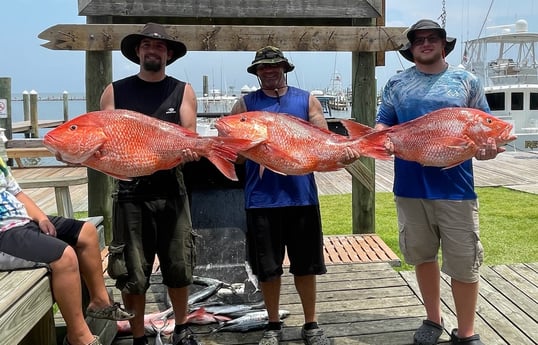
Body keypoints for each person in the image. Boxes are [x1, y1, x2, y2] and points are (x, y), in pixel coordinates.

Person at [376, 19, 504, 345]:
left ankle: (467, 332)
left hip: (456, 190)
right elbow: (383, 128)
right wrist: (371, 143)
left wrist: (486, 151)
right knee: (422, 256)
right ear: (411, 48)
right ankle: (433, 318)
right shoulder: (395, 84)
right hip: (409, 186)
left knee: (464, 262)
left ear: (444, 44)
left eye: (433, 38)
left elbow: (484, 128)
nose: (426, 43)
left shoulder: (467, 80)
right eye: (419, 39)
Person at [229, 46, 348, 345]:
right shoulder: (244, 105)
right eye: (263, 68)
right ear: (256, 72)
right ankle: (272, 325)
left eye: (274, 66)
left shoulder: (306, 99)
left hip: (301, 197)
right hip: (261, 200)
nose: (269, 71)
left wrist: (342, 153)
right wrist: (248, 147)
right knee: (268, 269)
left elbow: (322, 143)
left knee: (306, 265)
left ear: (284, 68)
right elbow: (235, 158)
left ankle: (311, 324)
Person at [99, 23, 200, 345]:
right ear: (138, 52)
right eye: (146, 45)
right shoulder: (114, 91)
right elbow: (105, 142)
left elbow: (189, 136)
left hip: (172, 188)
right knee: (132, 272)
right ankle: (139, 335)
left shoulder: (182, 90)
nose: (151, 50)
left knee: (179, 264)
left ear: (168, 54)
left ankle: (182, 329)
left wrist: (188, 151)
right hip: (130, 194)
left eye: (158, 47)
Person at [0, 158, 134, 345]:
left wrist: (40, 218)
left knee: (87, 232)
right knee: (64, 256)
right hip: (4, 233)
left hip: (22, 221)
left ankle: (100, 302)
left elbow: (16, 192)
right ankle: (78, 336)